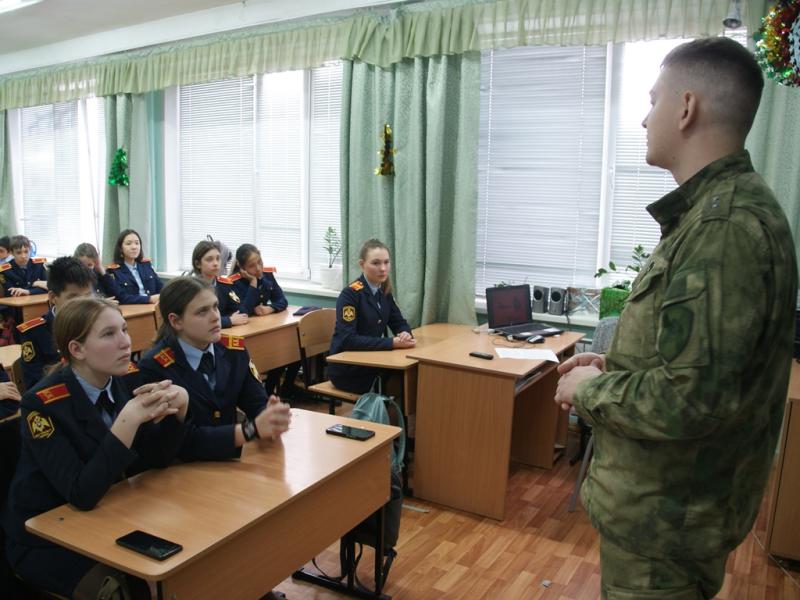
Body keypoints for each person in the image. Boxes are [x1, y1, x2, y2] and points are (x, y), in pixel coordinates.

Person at [554, 37, 798, 599]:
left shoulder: (724, 228)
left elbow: (693, 400)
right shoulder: (719, 215)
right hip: (671, 515)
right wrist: (615, 364)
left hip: (668, 523)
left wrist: (592, 389)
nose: (643, 119)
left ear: (686, 108)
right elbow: (703, 361)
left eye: (652, 99)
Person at [4, 296, 189, 600]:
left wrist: (179, 412)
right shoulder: (42, 404)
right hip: (47, 537)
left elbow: (155, 459)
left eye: (125, 330)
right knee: (130, 590)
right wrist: (126, 422)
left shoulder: (125, 378)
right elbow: (81, 494)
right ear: (76, 350)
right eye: (108, 334)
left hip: (111, 513)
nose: (125, 342)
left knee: (192, 558)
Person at [138, 277, 291, 462]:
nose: (215, 317)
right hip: (182, 469)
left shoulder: (234, 350)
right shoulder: (155, 365)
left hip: (227, 463)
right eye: (202, 312)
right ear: (176, 321)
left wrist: (270, 414)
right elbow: (181, 441)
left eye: (215, 307)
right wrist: (250, 430)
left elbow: (254, 401)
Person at [328, 239, 414, 394]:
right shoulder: (350, 295)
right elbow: (348, 340)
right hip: (348, 368)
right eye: (376, 263)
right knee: (401, 380)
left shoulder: (383, 290)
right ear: (362, 264)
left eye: (386, 262)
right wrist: (391, 343)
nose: (383, 268)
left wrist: (405, 333)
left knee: (411, 374)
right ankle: (384, 415)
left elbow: (399, 322)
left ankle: (393, 415)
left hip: (372, 359)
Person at [231, 244, 299, 397]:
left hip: (265, 328)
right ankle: (265, 395)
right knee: (272, 356)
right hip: (246, 333)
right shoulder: (233, 283)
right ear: (241, 267)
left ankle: (283, 391)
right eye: (252, 266)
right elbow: (243, 311)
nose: (259, 268)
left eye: (260, 262)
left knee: (291, 350)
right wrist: (253, 283)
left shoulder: (267, 275)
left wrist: (271, 308)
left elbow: (282, 300)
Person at [18, 256, 94, 391]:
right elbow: (36, 386)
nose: (83, 304)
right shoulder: (35, 333)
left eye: (88, 296)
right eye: (74, 298)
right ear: (53, 298)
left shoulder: (97, 323)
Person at [190, 239, 249, 328]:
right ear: (198, 264)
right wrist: (229, 320)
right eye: (209, 259)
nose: (216, 263)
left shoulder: (224, 285)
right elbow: (197, 321)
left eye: (218, 258)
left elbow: (242, 311)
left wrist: (230, 318)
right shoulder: (191, 288)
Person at [105, 229, 162, 304]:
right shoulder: (114, 271)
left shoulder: (146, 265)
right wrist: (149, 299)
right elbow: (120, 297)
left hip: (152, 307)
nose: (134, 247)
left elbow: (160, 287)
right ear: (121, 248)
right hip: (132, 309)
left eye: (137, 243)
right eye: (128, 244)